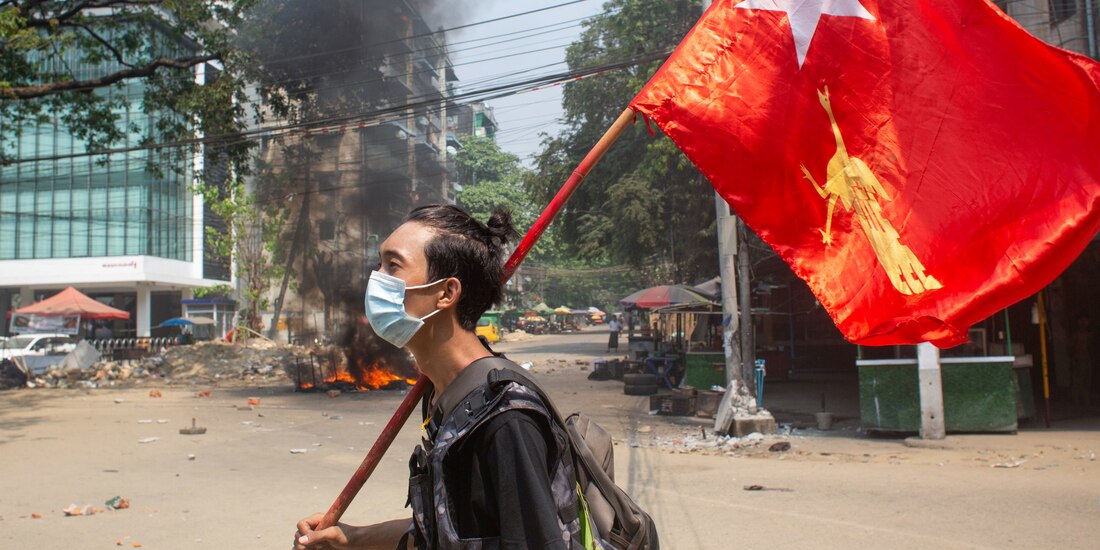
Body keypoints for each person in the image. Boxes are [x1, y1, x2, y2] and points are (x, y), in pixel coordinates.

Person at [294, 205, 583, 549]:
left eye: (393, 265)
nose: (376, 279)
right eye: (379, 264)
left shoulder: (506, 419)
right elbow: (445, 530)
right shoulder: (444, 396)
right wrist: (353, 538)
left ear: (447, 293)